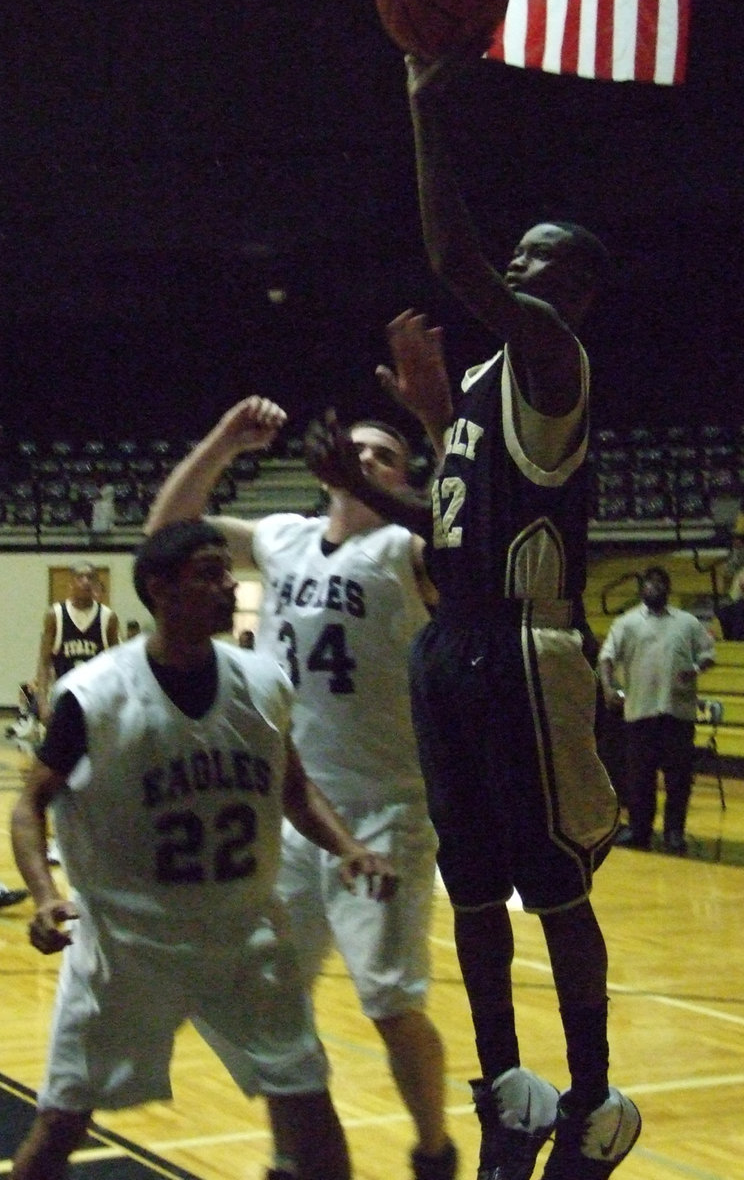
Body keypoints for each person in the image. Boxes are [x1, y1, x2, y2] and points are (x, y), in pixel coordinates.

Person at [302, 51, 642, 1180]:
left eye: (542, 262)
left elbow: (452, 254)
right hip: (456, 644)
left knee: (554, 887)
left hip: (525, 646)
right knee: (477, 887)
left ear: (577, 292)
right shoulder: (492, 383)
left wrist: (421, 100)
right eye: (522, 258)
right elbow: (447, 525)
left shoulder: (552, 354)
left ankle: (593, 1096)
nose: (519, 269)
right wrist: (402, 444)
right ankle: (509, 1092)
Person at [9, 518, 398, 1180]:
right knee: (61, 1123)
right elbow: (28, 806)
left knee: (307, 1100)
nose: (228, 586)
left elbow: (296, 794)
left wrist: (348, 848)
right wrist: (46, 898)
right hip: (128, 945)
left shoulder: (263, 683)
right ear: (161, 589)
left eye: (228, 571)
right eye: (209, 574)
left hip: (242, 936)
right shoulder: (95, 694)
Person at [146, 397, 457, 1180]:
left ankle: (433, 1148)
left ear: (403, 478)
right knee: (256, 994)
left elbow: (477, 534)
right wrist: (221, 441)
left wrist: (434, 421)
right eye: (353, 449)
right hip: (285, 809)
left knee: (388, 1003)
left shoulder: (405, 549)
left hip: (383, 807)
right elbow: (166, 537)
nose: (364, 461)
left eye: (383, 455)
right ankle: (303, 1147)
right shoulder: (283, 538)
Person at [598, 566, 716, 855]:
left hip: (678, 712)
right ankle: (640, 830)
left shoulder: (687, 622)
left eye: (660, 584)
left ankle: (674, 831)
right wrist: (608, 687)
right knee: (640, 778)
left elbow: (708, 654)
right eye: (650, 585)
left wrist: (696, 669)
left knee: (678, 778)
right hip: (640, 711)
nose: (654, 589)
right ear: (641, 590)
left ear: (668, 588)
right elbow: (606, 657)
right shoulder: (626, 623)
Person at [35, 561, 121, 725]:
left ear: (96, 584)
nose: (85, 581)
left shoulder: (108, 618)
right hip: (63, 700)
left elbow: (117, 665)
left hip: (97, 702)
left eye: (90, 577)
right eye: (80, 577)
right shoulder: (55, 615)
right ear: (70, 583)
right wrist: (42, 703)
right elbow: (44, 662)